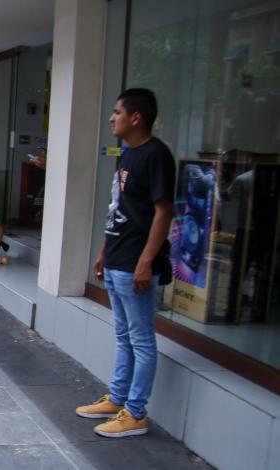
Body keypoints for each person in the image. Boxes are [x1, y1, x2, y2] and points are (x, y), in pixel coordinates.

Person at [76, 88, 174, 438]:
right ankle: (118, 399)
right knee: (124, 335)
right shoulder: (126, 155)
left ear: (136, 117)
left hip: (136, 264)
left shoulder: (156, 155)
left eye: (117, 112)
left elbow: (163, 212)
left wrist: (146, 262)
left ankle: (135, 413)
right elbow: (118, 209)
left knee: (142, 339)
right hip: (117, 259)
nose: (111, 118)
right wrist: (103, 251)